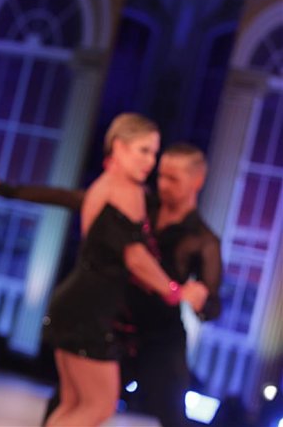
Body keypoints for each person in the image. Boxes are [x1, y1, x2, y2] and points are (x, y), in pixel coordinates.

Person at [0, 142, 222, 427]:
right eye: (161, 175)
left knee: (172, 415)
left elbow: (212, 304)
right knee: (70, 400)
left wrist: (200, 300)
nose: (163, 184)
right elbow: (72, 198)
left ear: (197, 181)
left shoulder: (204, 240)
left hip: (160, 339)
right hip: (115, 326)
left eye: (173, 179)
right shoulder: (138, 204)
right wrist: (5, 189)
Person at [33, 114, 207, 427]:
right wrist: (176, 291)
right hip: (88, 313)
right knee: (98, 406)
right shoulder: (124, 190)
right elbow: (135, 257)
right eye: (143, 150)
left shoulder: (107, 186)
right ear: (119, 147)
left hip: (77, 306)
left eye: (154, 152)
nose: (150, 161)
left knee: (75, 403)